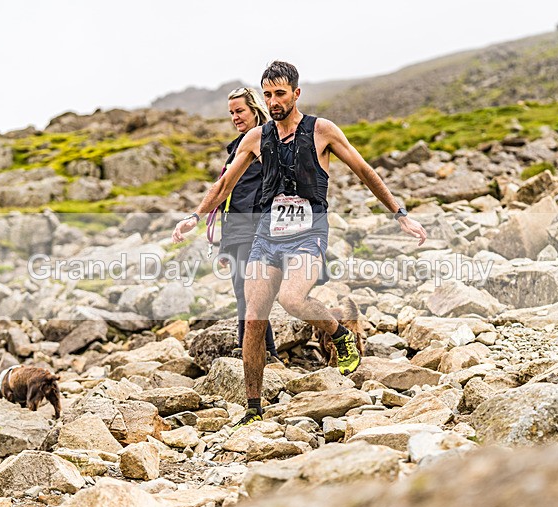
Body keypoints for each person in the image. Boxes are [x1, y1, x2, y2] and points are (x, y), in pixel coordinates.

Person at [173, 61, 427, 428]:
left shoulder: (322, 131)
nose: (273, 102)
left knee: (291, 299)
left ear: (296, 93)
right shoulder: (256, 138)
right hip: (266, 237)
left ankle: (340, 335)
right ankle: (253, 408)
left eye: (280, 94)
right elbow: (224, 184)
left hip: (308, 235)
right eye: (267, 95)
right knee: (254, 318)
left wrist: (400, 213)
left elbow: (364, 171)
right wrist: (195, 217)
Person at [211, 87, 278, 362]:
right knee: (245, 293)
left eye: (240, 111)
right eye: (231, 113)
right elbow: (229, 200)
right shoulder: (236, 149)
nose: (235, 117)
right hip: (237, 232)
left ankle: (254, 352)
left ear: (255, 110)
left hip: (255, 229)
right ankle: (263, 352)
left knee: (249, 293)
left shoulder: (266, 142)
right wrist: (225, 245)